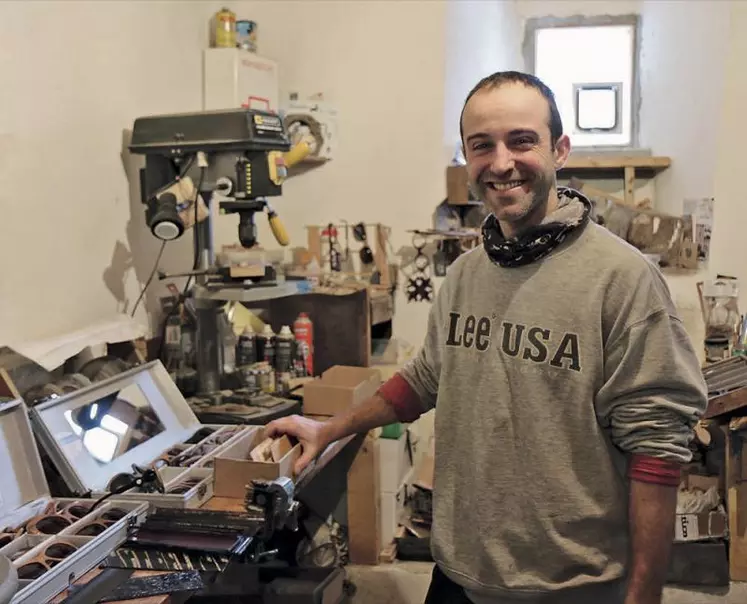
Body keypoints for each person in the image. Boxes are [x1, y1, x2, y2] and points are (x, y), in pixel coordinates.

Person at [265, 71, 708, 604]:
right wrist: (329, 429)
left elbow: (657, 449)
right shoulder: (468, 273)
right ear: (467, 158)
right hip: (457, 575)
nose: (501, 163)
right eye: (482, 146)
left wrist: (643, 597)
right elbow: (425, 380)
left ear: (560, 150)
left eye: (522, 141)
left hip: (571, 589)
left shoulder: (623, 279)